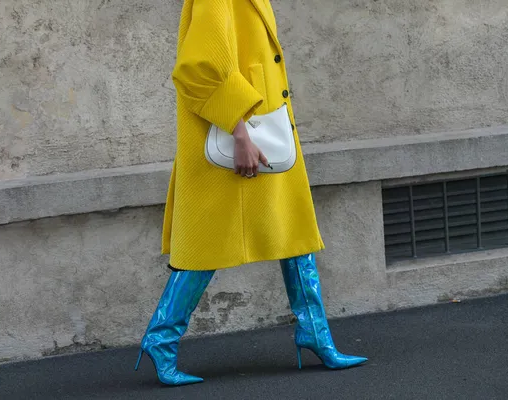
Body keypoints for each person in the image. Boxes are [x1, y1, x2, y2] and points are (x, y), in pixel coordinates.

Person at [134, 0, 368, 386]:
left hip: (267, 134)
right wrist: (240, 133)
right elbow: (197, 68)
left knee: (294, 235)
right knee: (203, 247)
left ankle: (315, 333)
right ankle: (160, 340)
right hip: (241, 138)